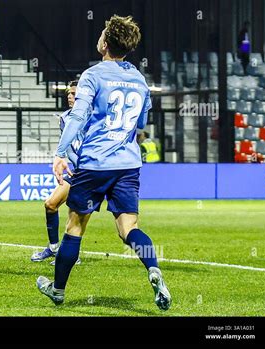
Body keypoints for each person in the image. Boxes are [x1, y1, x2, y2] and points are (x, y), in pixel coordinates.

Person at [36, 15, 172, 311]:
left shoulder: (93, 75)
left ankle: (58, 290)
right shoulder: (139, 79)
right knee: (129, 228)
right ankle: (153, 268)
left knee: (75, 226)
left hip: (95, 163)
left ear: (106, 43)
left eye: (101, 33)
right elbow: (142, 122)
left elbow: (78, 116)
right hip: (128, 164)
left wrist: (60, 153)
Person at [31, 81, 83, 264]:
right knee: (51, 204)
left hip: (91, 170)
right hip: (76, 169)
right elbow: (66, 145)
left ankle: (71, 255)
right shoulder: (65, 118)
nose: (70, 96)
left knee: (75, 212)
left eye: (74, 93)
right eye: (69, 93)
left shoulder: (93, 117)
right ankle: (55, 248)